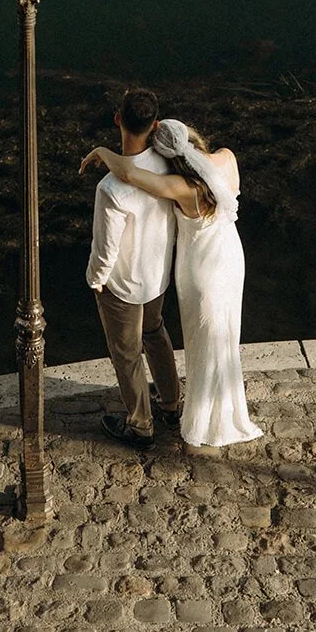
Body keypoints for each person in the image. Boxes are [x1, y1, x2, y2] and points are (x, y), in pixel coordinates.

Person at [81, 118, 262, 448]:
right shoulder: (227, 157)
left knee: (201, 340)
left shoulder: (182, 186)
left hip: (200, 270)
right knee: (224, 335)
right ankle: (186, 404)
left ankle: (203, 422)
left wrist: (103, 151)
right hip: (231, 258)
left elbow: (131, 174)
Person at [84, 88, 183, 450]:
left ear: (117, 119)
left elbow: (105, 248)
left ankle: (141, 424)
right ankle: (172, 405)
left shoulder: (110, 188)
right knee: (155, 331)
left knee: (126, 353)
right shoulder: (166, 165)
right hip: (157, 275)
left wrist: (96, 281)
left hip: (123, 284)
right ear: (154, 126)